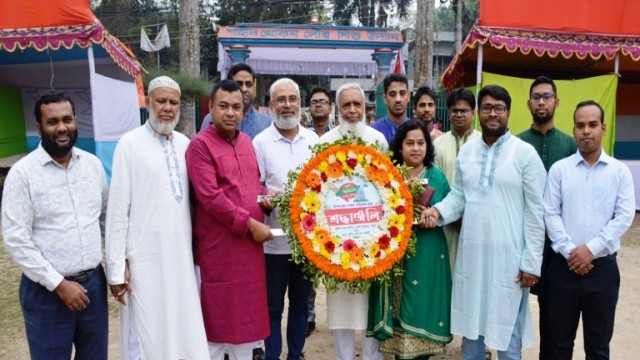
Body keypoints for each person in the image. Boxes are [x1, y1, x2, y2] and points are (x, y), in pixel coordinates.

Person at [423, 85, 546, 359]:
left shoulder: (524, 154)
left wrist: (531, 262)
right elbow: (459, 197)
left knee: (508, 338)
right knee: (472, 333)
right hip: (473, 258)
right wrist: (437, 212)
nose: (493, 114)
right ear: (479, 112)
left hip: (510, 261)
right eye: (488, 108)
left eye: (499, 108)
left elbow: (537, 212)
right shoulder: (467, 153)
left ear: (509, 113)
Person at [105, 76, 209, 359]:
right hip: (143, 260)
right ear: (148, 103)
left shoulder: (186, 144)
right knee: (146, 331)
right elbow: (116, 211)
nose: (167, 108)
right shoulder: (129, 144)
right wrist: (116, 268)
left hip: (181, 258)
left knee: (181, 323)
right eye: (161, 101)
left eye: (173, 102)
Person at [2, 92, 109, 359]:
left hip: (93, 287)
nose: (61, 128)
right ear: (39, 127)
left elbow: (106, 218)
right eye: (52, 122)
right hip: (46, 293)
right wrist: (59, 284)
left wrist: (119, 265)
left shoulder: (93, 166)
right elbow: (16, 239)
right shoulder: (23, 174)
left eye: (67, 119)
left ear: (75, 121)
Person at [186, 79, 273, 360]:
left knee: (245, 328)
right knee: (215, 326)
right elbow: (210, 197)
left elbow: (251, 187)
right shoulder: (199, 146)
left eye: (236, 107)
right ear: (210, 107)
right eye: (223, 106)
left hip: (249, 250)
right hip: (219, 250)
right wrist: (250, 224)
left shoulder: (247, 142)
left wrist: (266, 199)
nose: (230, 113)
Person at [544, 100, 635, 360]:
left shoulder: (619, 172)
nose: (586, 131)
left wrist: (591, 250)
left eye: (592, 125)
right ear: (573, 130)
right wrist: (571, 252)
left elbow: (624, 216)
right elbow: (550, 213)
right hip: (563, 269)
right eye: (580, 125)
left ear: (603, 128)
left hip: (603, 271)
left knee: (598, 347)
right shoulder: (560, 170)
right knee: (558, 345)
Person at [368, 120, 453, 359]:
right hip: (396, 252)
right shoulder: (388, 175)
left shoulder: (436, 176)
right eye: (409, 143)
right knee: (399, 308)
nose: (415, 148)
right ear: (400, 146)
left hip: (427, 252)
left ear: (428, 146)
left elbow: (449, 209)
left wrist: (433, 214)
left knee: (422, 306)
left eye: (420, 143)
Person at [253, 78, 319, 360]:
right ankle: (272, 356)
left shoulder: (314, 141)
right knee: (272, 307)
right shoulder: (260, 142)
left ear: (300, 104)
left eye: (293, 98)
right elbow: (253, 188)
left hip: (307, 243)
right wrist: (265, 197)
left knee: (302, 305)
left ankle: (296, 354)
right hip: (273, 242)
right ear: (271, 106)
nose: (288, 104)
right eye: (281, 99)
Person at [321, 82, 387, 360]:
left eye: (356, 105)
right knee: (342, 308)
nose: (351, 110)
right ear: (337, 108)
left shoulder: (377, 141)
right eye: (345, 105)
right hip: (337, 242)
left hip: (372, 237)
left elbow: (388, 190)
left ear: (365, 108)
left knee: (371, 306)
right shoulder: (324, 144)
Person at [516, 75, 577, 359]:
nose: (541, 101)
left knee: (554, 314)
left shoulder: (569, 145)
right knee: (513, 308)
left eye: (547, 96)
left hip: (557, 247)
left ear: (556, 102)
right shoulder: (516, 144)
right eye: (537, 97)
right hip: (521, 241)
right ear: (529, 103)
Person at [433, 87, 481, 274]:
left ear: (473, 113)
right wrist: (451, 213)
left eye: (464, 111)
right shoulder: (438, 144)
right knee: (449, 272)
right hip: (447, 222)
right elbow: (436, 183)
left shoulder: (482, 143)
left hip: (476, 221)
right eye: (455, 110)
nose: (459, 115)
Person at [199, 63, 272, 139]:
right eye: (239, 84)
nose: (244, 89)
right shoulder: (211, 119)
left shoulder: (266, 122)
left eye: (249, 84)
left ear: (253, 88)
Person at [370, 73, 411, 143]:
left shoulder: (418, 130)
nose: (398, 99)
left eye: (402, 93)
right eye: (392, 94)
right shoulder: (373, 131)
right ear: (385, 98)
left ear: (409, 96)